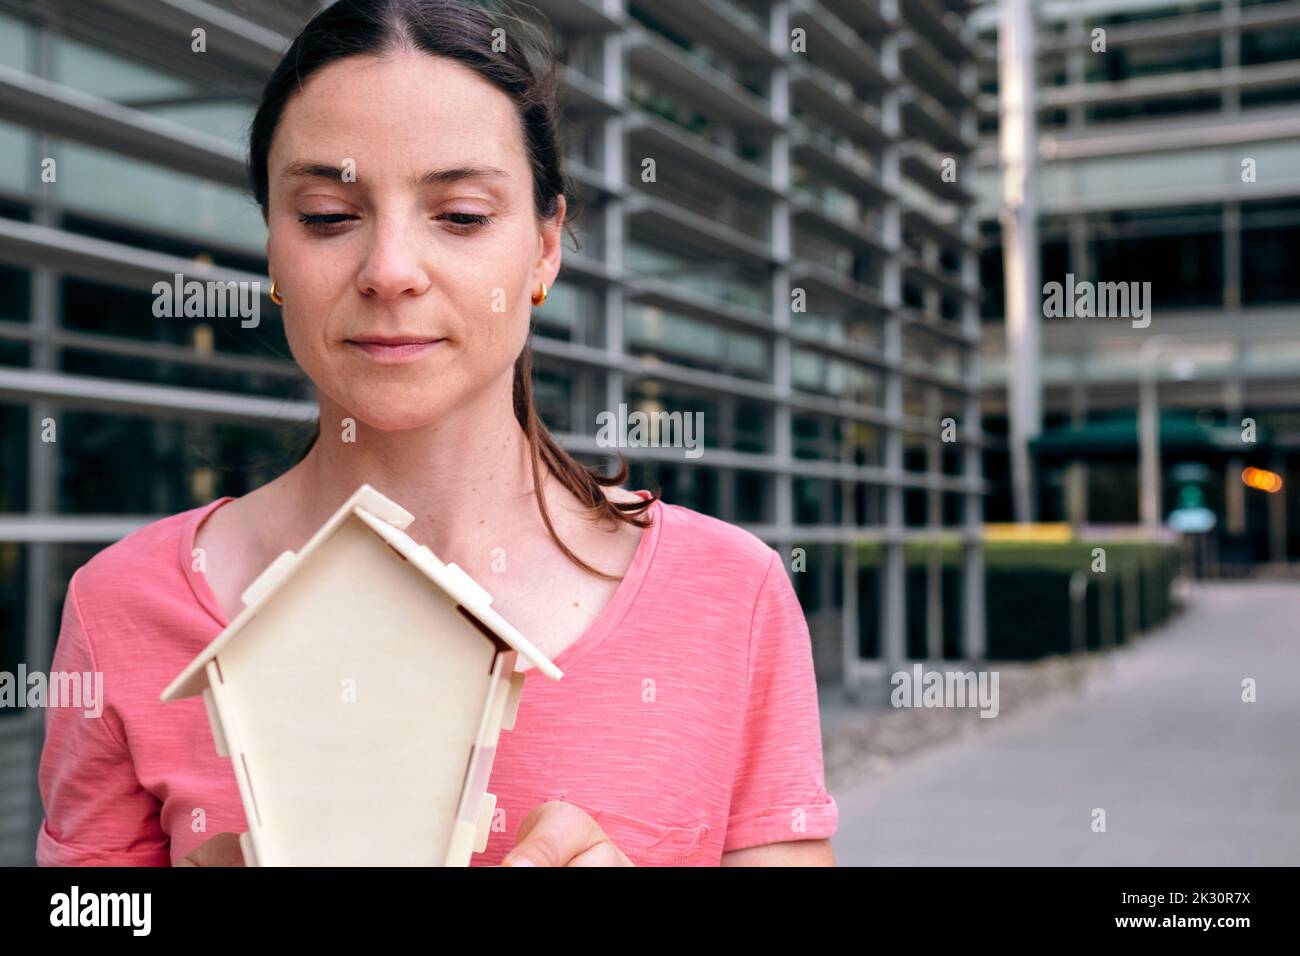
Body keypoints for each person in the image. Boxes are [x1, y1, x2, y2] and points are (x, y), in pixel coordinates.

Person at [35, 0, 837, 867]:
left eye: (459, 216)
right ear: (271, 249)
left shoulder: (730, 596)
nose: (389, 271)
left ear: (544, 250)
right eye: (328, 216)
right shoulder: (121, 606)